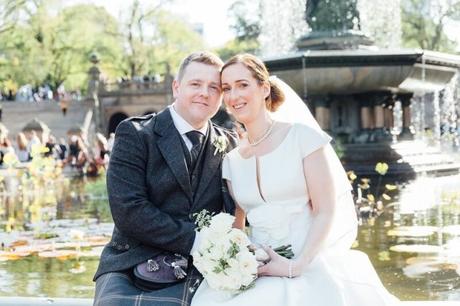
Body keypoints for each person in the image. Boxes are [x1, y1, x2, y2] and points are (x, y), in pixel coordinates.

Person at [191, 54, 399, 306]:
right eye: (227, 88)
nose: (234, 96)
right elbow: (239, 224)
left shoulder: (302, 138)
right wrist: (235, 263)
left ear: (264, 88)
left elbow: (325, 210)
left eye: (243, 85)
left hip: (308, 261)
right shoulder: (232, 160)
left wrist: (296, 265)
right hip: (259, 268)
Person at [93, 51, 238, 306]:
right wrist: (194, 240)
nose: (204, 92)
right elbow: (128, 210)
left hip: (208, 264)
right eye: (195, 84)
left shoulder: (230, 144)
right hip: (133, 261)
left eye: (213, 87)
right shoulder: (135, 133)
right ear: (176, 87)